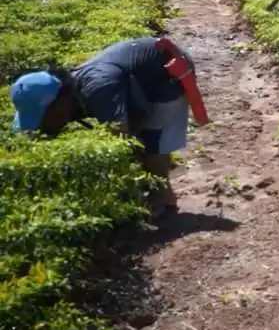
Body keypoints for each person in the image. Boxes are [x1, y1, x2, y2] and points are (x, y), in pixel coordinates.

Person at [9, 38, 210, 219]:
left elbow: (120, 143)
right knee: (138, 141)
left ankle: (165, 201)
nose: (41, 130)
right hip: (141, 80)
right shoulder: (74, 92)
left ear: (59, 107)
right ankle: (155, 191)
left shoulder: (98, 88)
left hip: (167, 73)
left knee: (152, 144)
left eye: (41, 122)